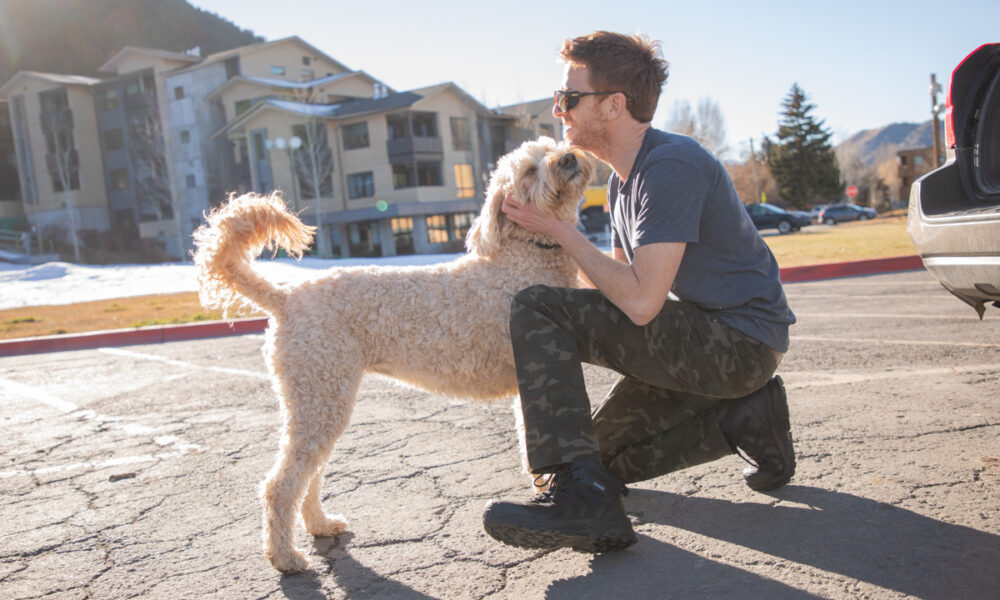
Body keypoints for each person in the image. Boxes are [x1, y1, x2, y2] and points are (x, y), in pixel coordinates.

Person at [482, 31, 797, 553]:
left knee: (537, 309)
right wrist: (548, 232)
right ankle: (744, 417)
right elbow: (617, 289)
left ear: (613, 105)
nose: (558, 112)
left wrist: (562, 233)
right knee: (593, 459)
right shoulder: (620, 184)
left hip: (740, 344)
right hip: (706, 345)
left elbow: (642, 302)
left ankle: (580, 502)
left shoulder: (670, 166)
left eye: (568, 99)